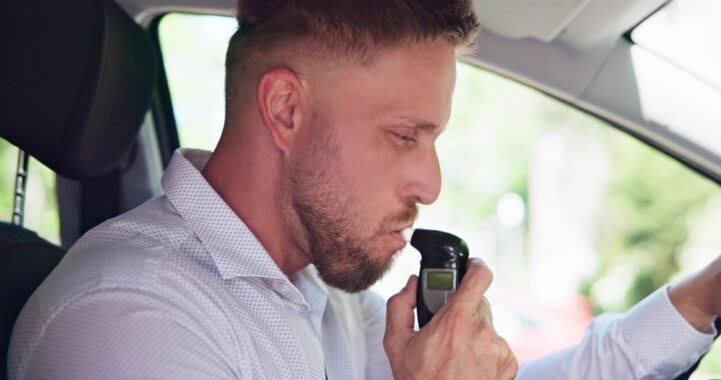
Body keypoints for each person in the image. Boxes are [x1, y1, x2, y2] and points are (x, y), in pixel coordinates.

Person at [8, 0, 720, 378]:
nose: (431, 183)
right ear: (285, 110)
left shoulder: (326, 302)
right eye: (404, 136)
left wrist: (702, 298)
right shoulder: (123, 326)